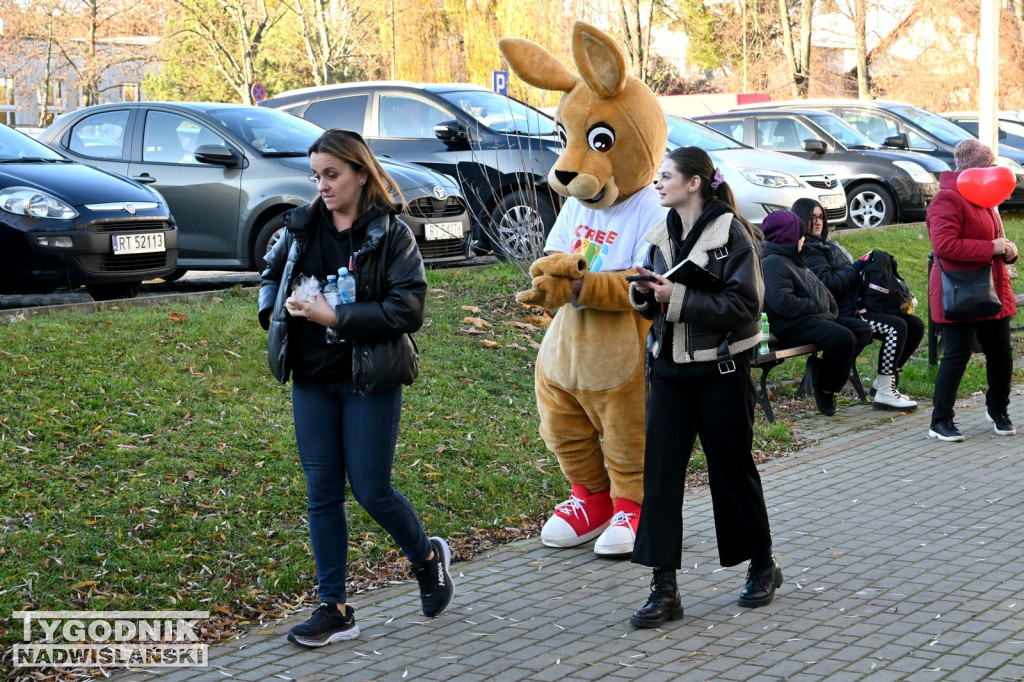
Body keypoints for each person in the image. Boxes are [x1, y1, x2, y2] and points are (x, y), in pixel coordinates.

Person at [258, 128, 454, 647]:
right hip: (313, 380)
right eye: (316, 175)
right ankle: (335, 608)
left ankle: (426, 557)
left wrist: (334, 315)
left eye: (332, 174)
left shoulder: (390, 235)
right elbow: (270, 274)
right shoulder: (300, 228)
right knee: (322, 494)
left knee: (370, 490)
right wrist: (272, 311)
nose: (321, 185)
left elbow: (407, 309)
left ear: (361, 172)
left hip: (369, 379)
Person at [627, 147, 781, 629]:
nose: (658, 183)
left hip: (722, 372)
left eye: (666, 176)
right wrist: (644, 295)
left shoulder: (730, 233)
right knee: (660, 481)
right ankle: (664, 587)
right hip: (669, 373)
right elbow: (656, 305)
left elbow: (746, 307)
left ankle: (762, 565)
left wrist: (682, 297)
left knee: (732, 472)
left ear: (694, 183)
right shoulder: (659, 234)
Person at [926, 139, 1018, 441]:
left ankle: (998, 410)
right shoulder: (948, 200)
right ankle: (940, 420)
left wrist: (1007, 250)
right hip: (959, 290)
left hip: (992, 288)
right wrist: (990, 247)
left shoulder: (985, 198)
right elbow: (945, 246)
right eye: (988, 165)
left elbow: (995, 239)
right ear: (974, 169)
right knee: (957, 353)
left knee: (1001, 353)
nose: (993, 171)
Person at [793, 198, 923, 411]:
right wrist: (859, 265)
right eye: (811, 218)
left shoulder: (828, 244)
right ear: (800, 220)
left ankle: (884, 381)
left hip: (858, 304)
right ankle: (885, 393)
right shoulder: (808, 250)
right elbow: (829, 285)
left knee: (915, 325)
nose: (817, 222)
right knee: (895, 327)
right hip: (841, 312)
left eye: (820, 217)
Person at [761, 210, 858, 416]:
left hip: (807, 319)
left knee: (860, 329)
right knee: (843, 338)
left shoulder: (790, 257)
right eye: (799, 234)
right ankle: (825, 388)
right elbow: (781, 301)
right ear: (789, 238)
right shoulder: (774, 262)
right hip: (788, 327)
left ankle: (821, 371)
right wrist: (813, 304)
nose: (803, 239)